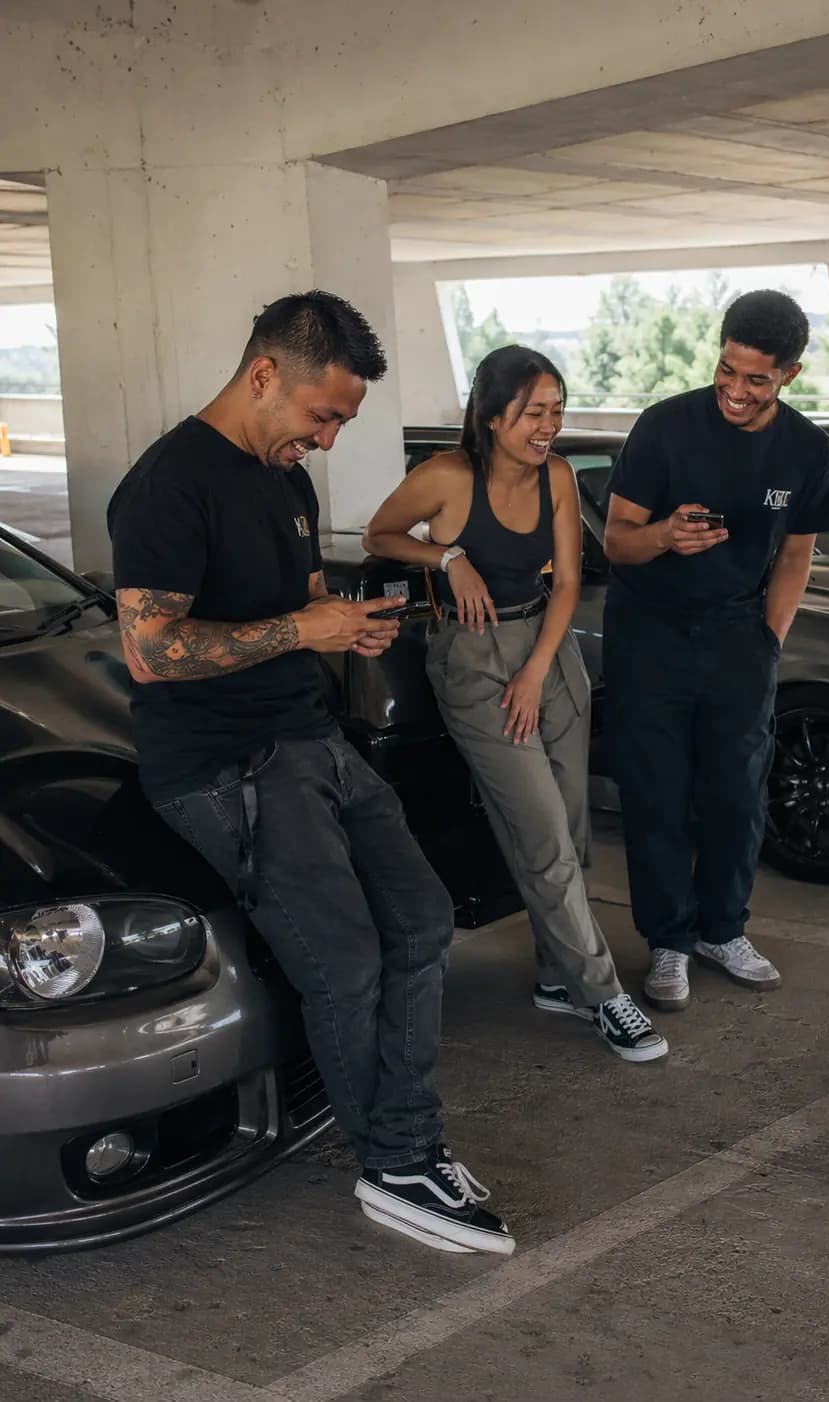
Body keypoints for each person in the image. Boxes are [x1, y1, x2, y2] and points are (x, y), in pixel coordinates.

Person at [107, 291, 513, 1256]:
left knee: (419, 918)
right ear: (262, 376)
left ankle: (406, 1145)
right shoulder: (167, 486)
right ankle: (396, 1163)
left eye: (341, 421)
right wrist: (304, 629)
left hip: (306, 739)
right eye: (320, 416)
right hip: (223, 764)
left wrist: (343, 616)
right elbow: (150, 650)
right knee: (345, 961)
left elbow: (295, 596)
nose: (327, 441)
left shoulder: (284, 482)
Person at [363, 345, 668, 1064]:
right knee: (541, 837)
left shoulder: (557, 476)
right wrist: (447, 557)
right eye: (535, 412)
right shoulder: (443, 478)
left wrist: (535, 673)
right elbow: (380, 534)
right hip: (472, 659)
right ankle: (602, 994)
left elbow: (565, 583)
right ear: (493, 415)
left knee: (570, 828)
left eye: (557, 410)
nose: (548, 426)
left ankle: (556, 977)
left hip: (548, 650)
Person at [602, 290, 829, 1011]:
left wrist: (770, 638)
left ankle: (723, 930)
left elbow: (797, 555)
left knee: (737, 793)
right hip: (649, 633)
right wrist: (665, 537)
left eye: (756, 379)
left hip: (740, 635)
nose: (735, 391)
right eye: (727, 371)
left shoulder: (807, 450)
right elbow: (617, 541)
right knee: (657, 793)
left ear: (790, 376)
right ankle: (668, 942)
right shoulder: (664, 426)